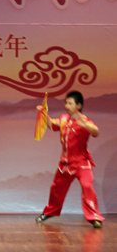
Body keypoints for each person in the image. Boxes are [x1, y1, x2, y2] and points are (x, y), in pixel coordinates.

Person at [35, 91, 104, 228]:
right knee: (56, 188)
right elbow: (51, 125)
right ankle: (50, 211)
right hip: (65, 163)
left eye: (70, 103)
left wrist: (85, 126)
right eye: (66, 103)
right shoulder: (64, 119)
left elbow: (96, 131)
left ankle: (95, 217)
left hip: (81, 163)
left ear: (79, 105)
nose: (67, 105)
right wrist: (43, 113)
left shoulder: (84, 120)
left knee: (87, 186)